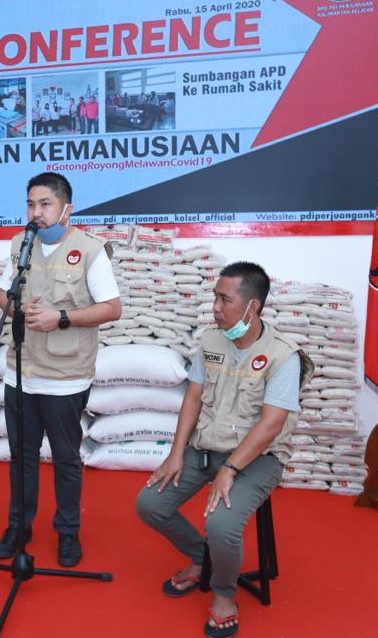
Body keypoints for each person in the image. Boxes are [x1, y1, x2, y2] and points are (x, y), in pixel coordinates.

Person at [135, 262, 313, 638]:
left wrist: (230, 470)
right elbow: (193, 397)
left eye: (224, 299)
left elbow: (272, 424)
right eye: (215, 297)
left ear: (252, 307)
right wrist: (175, 453)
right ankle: (202, 557)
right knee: (149, 504)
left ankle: (224, 594)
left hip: (257, 460)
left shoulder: (283, 355)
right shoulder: (211, 341)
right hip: (206, 449)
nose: (215, 307)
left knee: (220, 525)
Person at [0, 172, 121, 567]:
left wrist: (61, 317)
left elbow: (111, 308)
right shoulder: (20, 244)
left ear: (67, 209)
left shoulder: (90, 250)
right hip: (21, 372)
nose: (37, 213)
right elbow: (1, 293)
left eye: (45, 204)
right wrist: (17, 309)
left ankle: (68, 531)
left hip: (66, 377)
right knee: (22, 456)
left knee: (66, 458)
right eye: (31, 204)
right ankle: (19, 526)